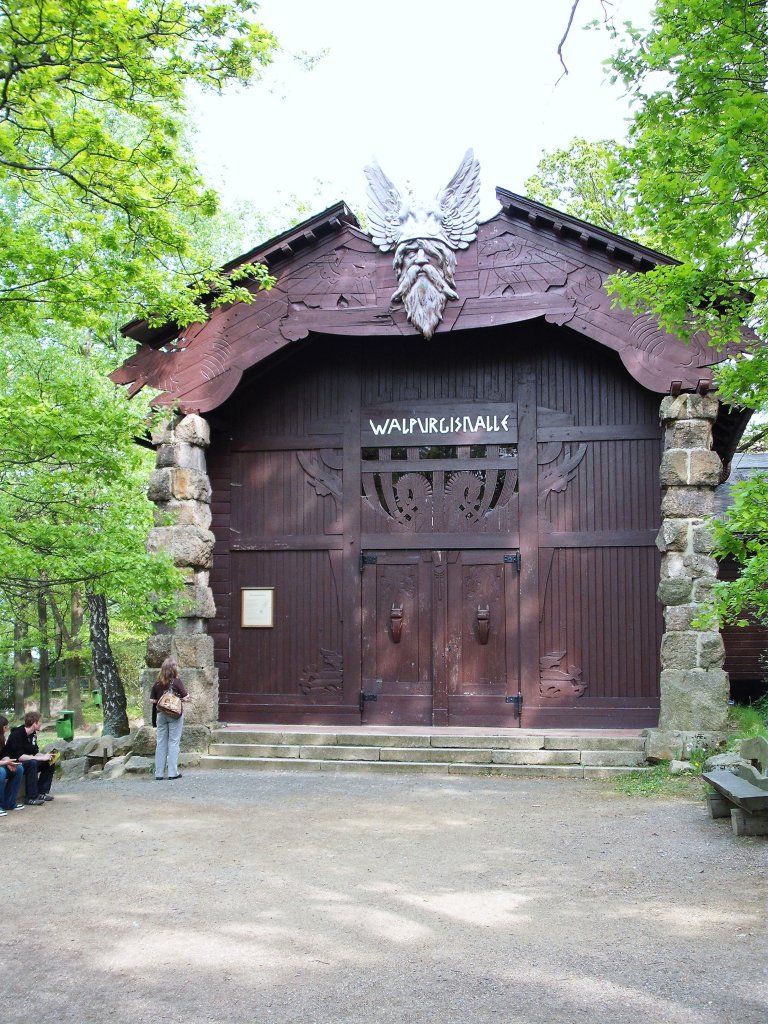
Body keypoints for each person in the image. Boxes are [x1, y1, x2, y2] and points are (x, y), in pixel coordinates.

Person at [149, 657, 190, 780]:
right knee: (173, 742)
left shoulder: (157, 683)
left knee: (161, 743)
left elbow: (152, 700)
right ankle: (173, 773)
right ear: (173, 669)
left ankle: (159, 773)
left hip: (160, 715)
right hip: (175, 715)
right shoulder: (177, 682)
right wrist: (182, 698)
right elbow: (186, 696)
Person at [3, 711, 54, 806]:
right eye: (39, 722)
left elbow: (35, 752)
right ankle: (31, 797)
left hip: (29, 761)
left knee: (50, 761)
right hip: (16, 763)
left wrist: (44, 756)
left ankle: (42, 792)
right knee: (32, 763)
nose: (41, 724)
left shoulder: (33, 734)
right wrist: (39, 758)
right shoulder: (16, 734)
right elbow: (20, 757)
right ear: (34, 723)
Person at [0, 715, 25, 815]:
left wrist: (8, 761)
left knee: (18, 769)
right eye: (6, 727)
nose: (7, 729)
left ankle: (9, 803)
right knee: (1, 772)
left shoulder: (2, 739)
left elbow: (3, 754)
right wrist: (6, 763)